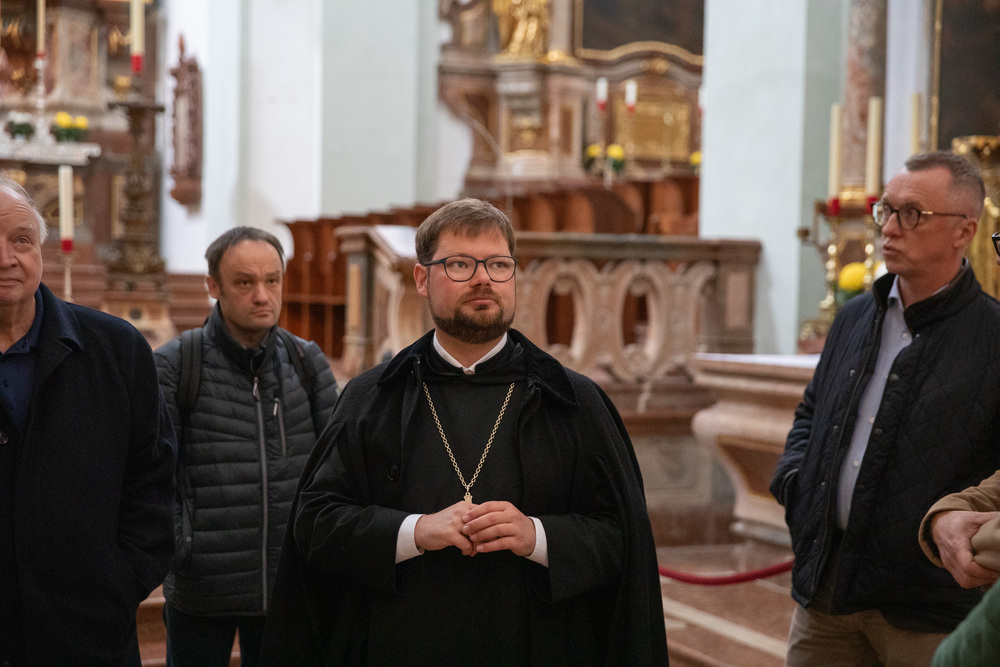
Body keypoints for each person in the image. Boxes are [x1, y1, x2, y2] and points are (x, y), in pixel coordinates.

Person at [259, 198, 668, 665]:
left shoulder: (574, 402)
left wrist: (536, 536)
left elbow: (621, 540)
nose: (483, 279)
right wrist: (416, 530)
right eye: (459, 264)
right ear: (421, 279)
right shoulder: (372, 397)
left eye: (498, 264)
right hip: (402, 643)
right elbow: (315, 524)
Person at [770, 151, 1000, 665]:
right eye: (885, 211)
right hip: (828, 591)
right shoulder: (855, 316)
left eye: (912, 214)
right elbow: (812, 412)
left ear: (964, 231)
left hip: (927, 605)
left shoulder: (992, 336)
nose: (890, 228)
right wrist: (796, 482)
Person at [0, 177, 176, 663]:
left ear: (40, 249)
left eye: (21, 240)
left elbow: (155, 480)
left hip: (87, 636)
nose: (5, 258)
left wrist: (117, 585)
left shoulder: (116, 349)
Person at [154, 227, 339, 666]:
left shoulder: (306, 362)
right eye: (245, 282)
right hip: (202, 586)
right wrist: (181, 546)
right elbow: (152, 475)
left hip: (285, 585)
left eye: (272, 280)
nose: (262, 295)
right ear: (212, 286)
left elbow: (333, 469)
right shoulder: (178, 364)